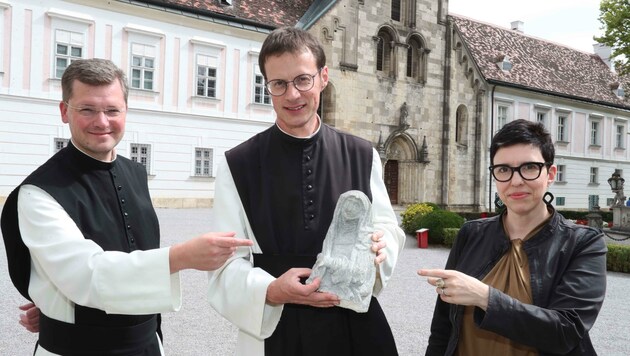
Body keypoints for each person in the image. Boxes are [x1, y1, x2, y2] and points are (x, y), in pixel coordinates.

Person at [0, 58, 253, 355]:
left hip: (146, 345)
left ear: (126, 112)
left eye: (112, 110)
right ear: (64, 112)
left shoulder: (135, 172)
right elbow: (87, 274)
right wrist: (180, 257)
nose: (102, 121)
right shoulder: (38, 193)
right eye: (87, 110)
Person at [207, 27, 406, 355]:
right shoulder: (237, 164)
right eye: (279, 84)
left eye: (303, 80)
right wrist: (270, 290)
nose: (292, 95)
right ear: (267, 86)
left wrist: (382, 246)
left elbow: (386, 228)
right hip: (277, 329)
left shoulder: (361, 154)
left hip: (353, 326)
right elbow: (226, 264)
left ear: (323, 77)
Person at [419, 119, 607, 355]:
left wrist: (484, 297)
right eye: (504, 170)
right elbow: (442, 328)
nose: (516, 181)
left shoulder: (582, 243)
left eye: (529, 167)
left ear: (550, 174)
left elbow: (565, 331)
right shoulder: (471, 234)